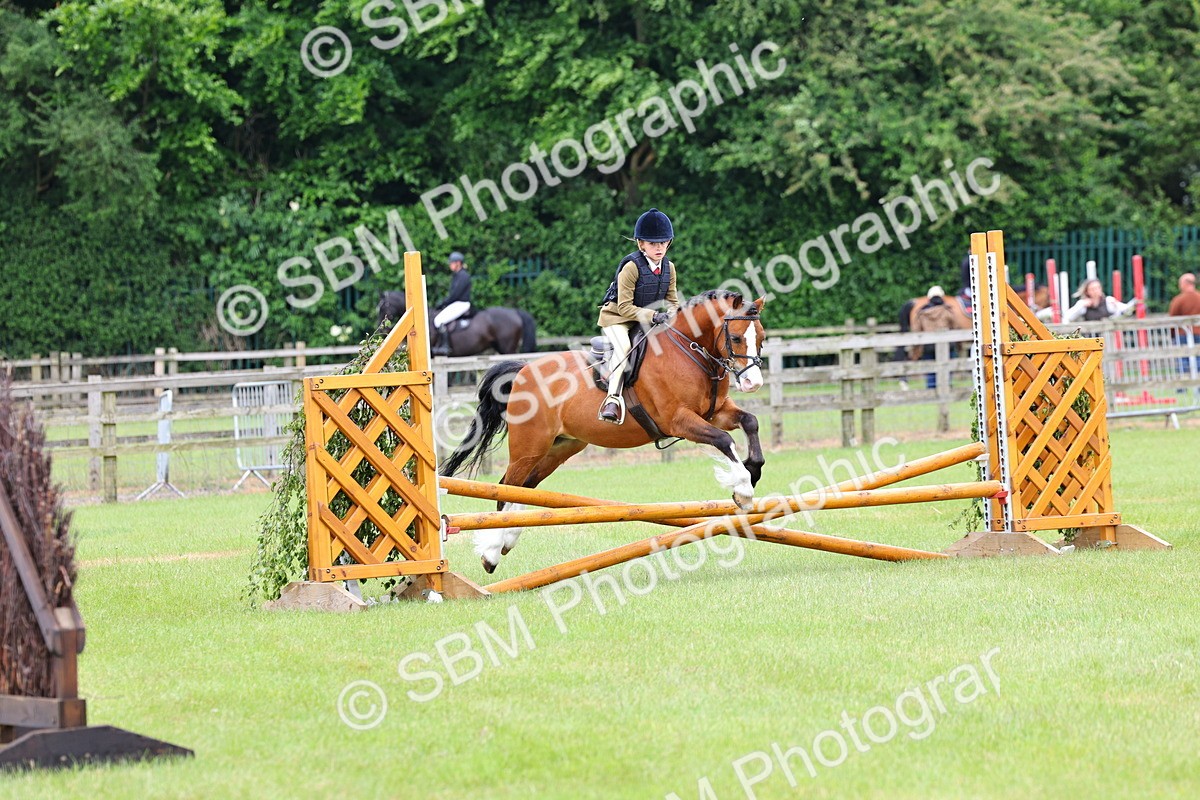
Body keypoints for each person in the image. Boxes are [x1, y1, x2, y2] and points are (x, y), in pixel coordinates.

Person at [596, 208, 680, 423]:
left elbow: (672, 301)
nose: (659, 247)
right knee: (624, 347)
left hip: (647, 320)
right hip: (617, 318)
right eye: (653, 243)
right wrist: (654, 316)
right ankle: (612, 399)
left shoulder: (669, 268)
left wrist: (673, 315)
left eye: (663, 242)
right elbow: (624, 307)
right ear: (641, 244)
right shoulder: (631, 268)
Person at [909, 286, 956, 389]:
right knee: (947, 369)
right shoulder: (947, 311)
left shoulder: (922, 313)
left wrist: (915, 349)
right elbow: (954, 327)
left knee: (931, 371)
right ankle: (946, 389)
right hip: (947, 346)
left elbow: (916, 330)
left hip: (929, 347)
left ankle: (931, 391)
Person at [432, 251, 471, 356]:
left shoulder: (463, 276)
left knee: (438, 320)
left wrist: (444, 303)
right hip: (457, 303)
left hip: (461, 303)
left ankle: (445, 346)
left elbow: (455, 294)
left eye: (452, 263)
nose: (450, 265)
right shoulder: (457, 275)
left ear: (458, 263)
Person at [1168, 273, 1200, 375]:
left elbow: (1173, 318)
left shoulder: (1178, 300)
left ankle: (1182, 387)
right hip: (1199, 332)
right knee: (1198, 358)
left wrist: (1172, 334)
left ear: (1185, 283)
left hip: (1182, 333)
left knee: (1182, 359)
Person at [1063, 278, 1135, 323]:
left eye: (1098, 288)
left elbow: (1126, 311)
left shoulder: (1108, 301)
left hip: (1107, 337)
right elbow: (1068, 317)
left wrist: (1116, 305)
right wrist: (1080, 306)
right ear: (1087, 292)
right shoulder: (1082, 304)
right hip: (1089, 337)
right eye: (1093, 289)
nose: (1096, 291)